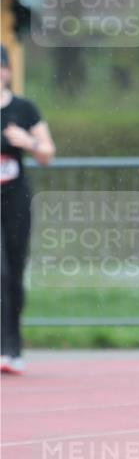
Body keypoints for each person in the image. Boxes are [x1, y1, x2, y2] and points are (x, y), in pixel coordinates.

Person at [1, 44, 56, 374]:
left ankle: (12, 348)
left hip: (15, 199)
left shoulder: (24, 109)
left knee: (14, 271)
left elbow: (48, 152)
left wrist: (27, 141)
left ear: (7, 72)